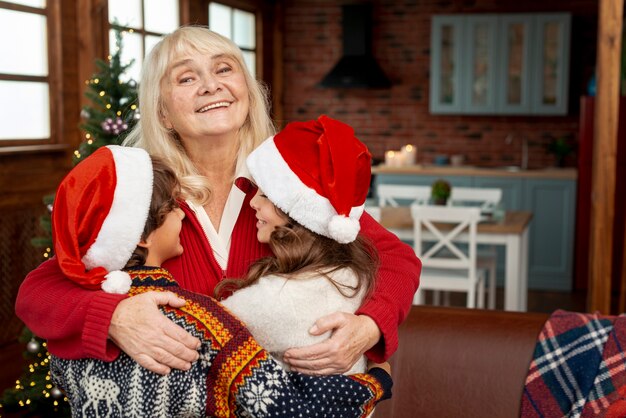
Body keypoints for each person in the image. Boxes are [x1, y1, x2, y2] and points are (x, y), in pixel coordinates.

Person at [16, 25, 420, 378]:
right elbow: (37, 292)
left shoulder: (291, 183)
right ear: (164, 113)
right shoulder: (140, 192)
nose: (211, 85)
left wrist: (369, 325)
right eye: (186, 78)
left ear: (247, 91)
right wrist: (113, 317)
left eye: (224, 69)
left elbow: (396, 258)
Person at [49, 145, 392, 417]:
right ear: (140, 236)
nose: (183, 212)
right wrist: (378, 380)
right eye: (172, 206)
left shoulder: (67, 339)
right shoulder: (201, 320)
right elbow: (289, 406)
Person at [219, 116, 378, 376]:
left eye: (265, 195)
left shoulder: (280, 300)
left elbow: (199, 331)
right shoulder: (349, 274)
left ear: (299, 215)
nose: (253, 203)